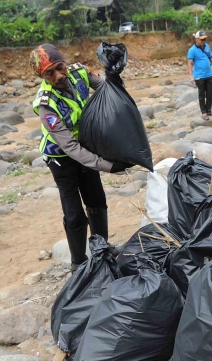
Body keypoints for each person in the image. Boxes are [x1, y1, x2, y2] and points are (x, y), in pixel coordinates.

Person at [29, 44, 130, 271]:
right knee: (74, 213)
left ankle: (101, 249)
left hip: (85, 146)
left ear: (64, 62)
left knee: (96, 200)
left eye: (59, 67)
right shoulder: (46, 104)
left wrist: (114, 75)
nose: (58, 75)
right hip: (61, 157)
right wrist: (107, 165)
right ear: (41, 76)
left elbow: (108, 89)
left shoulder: (80, 73)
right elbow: (70, 147)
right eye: (50, 73)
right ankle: (78, 264)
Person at [187, 30, 212, 120]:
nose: (204, 41)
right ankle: (204, 113)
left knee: (210, 94)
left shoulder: (207, 46)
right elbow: (190, 63)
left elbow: (211, 58)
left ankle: (209, 111)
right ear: (197, 39)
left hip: (209, 75)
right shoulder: (192, 50)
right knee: (202, 94)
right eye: (202, 40)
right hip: (199, 76)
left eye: (205, 39)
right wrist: (191, 75)